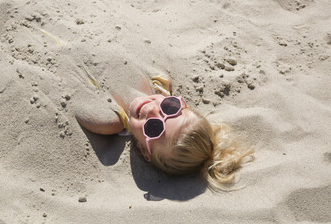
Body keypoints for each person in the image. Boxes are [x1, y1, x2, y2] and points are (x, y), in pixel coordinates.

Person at [75, 61, 254, 191]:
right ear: (182, 103)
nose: (152, 109)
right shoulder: (160, 83)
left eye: (153, 128)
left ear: (145, 151)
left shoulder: (110, 122)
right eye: (170, 107)